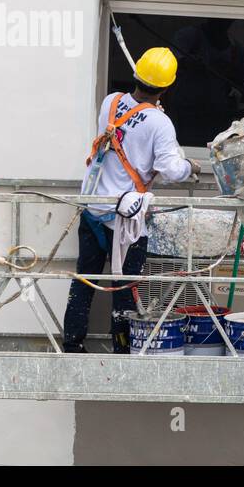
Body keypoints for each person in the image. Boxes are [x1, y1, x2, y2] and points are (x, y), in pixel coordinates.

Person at [62, 47, 200, 353]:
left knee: (85, 279)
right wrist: (191, 166)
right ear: (167, 86)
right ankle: (122, 351)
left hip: (94, 208)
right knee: (124, 289)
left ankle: (72, 344)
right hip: (126, 220)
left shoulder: (111, 103)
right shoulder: (159, 124)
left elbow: (130, 130)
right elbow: (171, 169)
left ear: (137, 74)